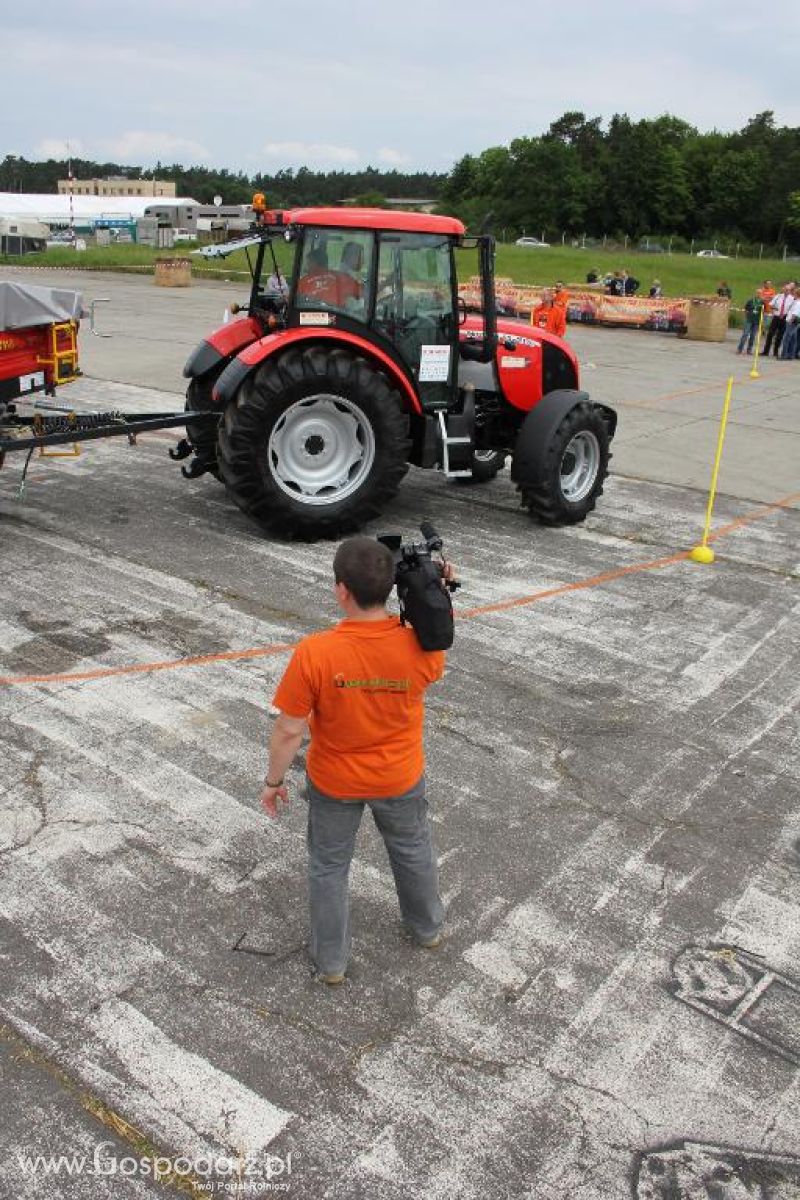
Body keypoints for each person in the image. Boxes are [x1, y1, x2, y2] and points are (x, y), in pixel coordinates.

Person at [260, 537, 450, 985]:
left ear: (341, 590)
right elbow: (439, 630)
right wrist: (436, 593)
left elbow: (290, 729)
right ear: (390, 587)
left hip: (335, 781)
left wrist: (273, 781)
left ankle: (332, 963)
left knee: (329, 867)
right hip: (399, 776)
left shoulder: (316, 652)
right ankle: (427, 930)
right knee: (412, 850)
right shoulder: (423, 646)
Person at [763, 282, 797, 357]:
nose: (786, 291)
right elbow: (771, 304)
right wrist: (775, 308)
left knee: (780, 336)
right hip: (776, 317)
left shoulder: (792, 299)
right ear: (783, 289)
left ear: (790, 290)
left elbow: (793, 309)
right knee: (770, 334)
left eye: (788, 290)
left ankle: (776, 352)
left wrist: (788, 315)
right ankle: (766, 351)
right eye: (785, 289)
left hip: (784, 318)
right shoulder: (778, 296)